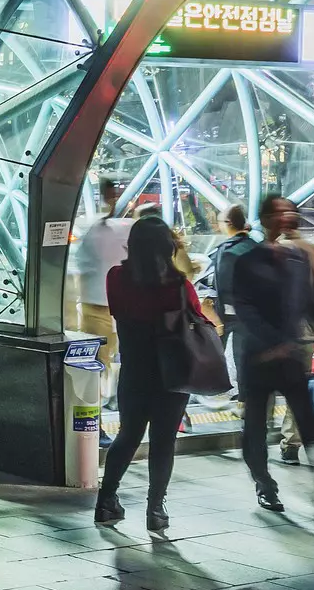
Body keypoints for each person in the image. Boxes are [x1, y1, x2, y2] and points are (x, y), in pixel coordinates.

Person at [94, 218, 212, 532]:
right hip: (171, 374)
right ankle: (155, 510)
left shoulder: (116, 278)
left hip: (133, 369)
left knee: (128, 435)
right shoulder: (178, 286)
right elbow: (197, 320)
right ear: (167, 248)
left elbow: (118, 312)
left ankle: (106, 501)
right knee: (163, 441)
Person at [233, 195, 314, 512]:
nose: (288, 215)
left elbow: (311, 303)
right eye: (280, 211)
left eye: (291, 210)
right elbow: (243, 308)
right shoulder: (246, 260)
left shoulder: (297, 260)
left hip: (290, 356)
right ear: (264, 218)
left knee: (305, 418)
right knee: (256, 427)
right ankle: (264, 483)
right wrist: (273, 340)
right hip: (258, 357)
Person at [262, 196, 314, 466]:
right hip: (306, 331)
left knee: (266, 385)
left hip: (275, 332)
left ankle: (258, 433)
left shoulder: (271, 251)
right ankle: (290, 443)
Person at [71, 178, 133, 381]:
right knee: (101, 353)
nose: (114, 199)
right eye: (112, 194)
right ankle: (99, 392)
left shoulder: (110, 229)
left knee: (105, 352)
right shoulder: (97, 229)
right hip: (100, 304)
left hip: (107, 304)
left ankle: (101, 391)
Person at [208, 205, 259, 395]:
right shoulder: (255, 246)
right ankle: (244, 399)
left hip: (227, 312)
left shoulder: (226, 250)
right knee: (243, 357)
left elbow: (222, 283)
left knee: (215, 353)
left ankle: (214, 392)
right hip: (251, 314)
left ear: (228, 223)